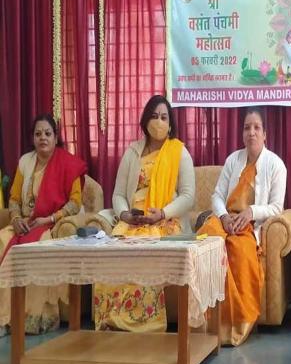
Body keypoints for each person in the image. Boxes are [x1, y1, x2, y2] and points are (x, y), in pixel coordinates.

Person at [94, 95, 195, 332]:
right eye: (154, 116)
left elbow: (188, 197)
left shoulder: (179, 152)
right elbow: (118, 194)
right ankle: (111, 321)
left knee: (146, 253)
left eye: (164, 117)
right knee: (112, 254)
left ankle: (141, 324)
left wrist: (162, 213)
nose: (159, 122)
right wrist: (125, 214)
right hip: (132, 220)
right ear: (145, 121)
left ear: (170, 124)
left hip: (164, 221)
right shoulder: (132, 153)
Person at [197, 107, 286, 346]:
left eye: (257, 127)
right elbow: (217, 196)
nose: (251, 133)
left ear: (265, 134)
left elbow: (277, 207)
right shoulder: (232, 160)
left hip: (249, 227)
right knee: (206, 242)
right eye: (247, 127)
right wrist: (225, 217)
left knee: (238, 251)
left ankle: (233, 326)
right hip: (225, 221)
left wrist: (250, 213)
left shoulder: (276, 165)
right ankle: (203, 321)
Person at [0, 114, 87, 335]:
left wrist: (49, 219)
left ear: (56, 137)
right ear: (32, 139)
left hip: (49, 224)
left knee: (40, 248)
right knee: (1, 240)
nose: (43, 138)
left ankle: (32, 317)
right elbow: (14, 198)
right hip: (25, 222)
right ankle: (4, 317)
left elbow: (75, 204)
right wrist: (16, 219)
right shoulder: (25, 162)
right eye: (38, 134)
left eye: (48, 133)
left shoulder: (67, 164)